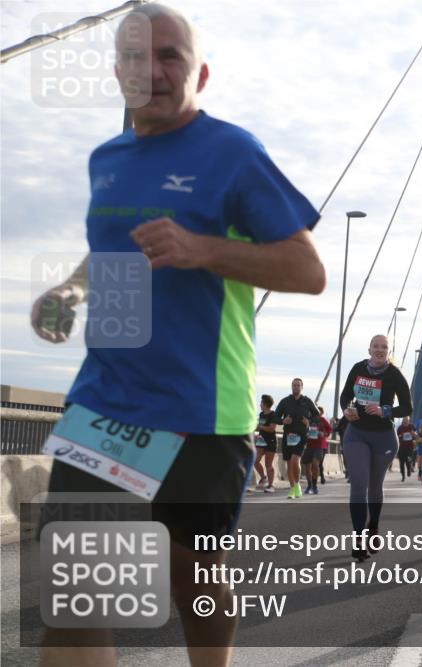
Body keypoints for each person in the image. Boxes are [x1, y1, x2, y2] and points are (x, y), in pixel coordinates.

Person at [29, 5, 325, 663]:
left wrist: (203, 249)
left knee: (192, 578)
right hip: (104, 401)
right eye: (136, 57)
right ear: (117, 72)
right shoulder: (106, 159)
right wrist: (69, 292)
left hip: (201, 409)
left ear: (202, 74)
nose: (152, 71)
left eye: (170, 57)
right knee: (79, 599)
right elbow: (111, 251)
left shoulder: (234, 153)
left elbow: (307, 270)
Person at [340, 335, 413, 561]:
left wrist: (384, 411)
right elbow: (345, 396)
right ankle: (359, 538)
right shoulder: (358, 368)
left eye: (384, 347)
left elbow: (408, 407)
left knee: (374, 486)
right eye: (376, 346)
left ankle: (373, 525)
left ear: (388, 351)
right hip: (356, 434)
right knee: (359, 485)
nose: (380, 350)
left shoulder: (395, 374)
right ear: (369, 348)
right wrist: (346, 410)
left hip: (384, 437)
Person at [274, 379, 320, 499]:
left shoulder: (307, 401)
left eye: (298, 385)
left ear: (302, 387)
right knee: (289, 465)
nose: (296, 387)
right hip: (288, 436)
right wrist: (283, 421)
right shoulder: (285, 401)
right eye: (294, 385)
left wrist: (309, 422)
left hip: (302, 436)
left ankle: (297, 484)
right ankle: (293, 489)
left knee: (295, 460)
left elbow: (317, 415)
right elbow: (275, 416)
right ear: (291, 387)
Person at [302, 406, 333, 495]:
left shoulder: (322, 420)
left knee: (315, 464)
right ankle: (309, 485)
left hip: (319, 445)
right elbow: (302, 429)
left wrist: (324, 434)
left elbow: (329, 430)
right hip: (309, 445)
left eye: (318, 411)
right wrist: (306, 433)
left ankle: (315, 486)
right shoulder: (308, 419)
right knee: (308, 467)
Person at [253, 394, 279, 493]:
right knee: (255, 461)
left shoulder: (273, 415)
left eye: (261, 403)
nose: (260, 405)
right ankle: (263, 478)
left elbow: (272, 428)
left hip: (270, 441)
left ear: (266, 404)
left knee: (268, 464)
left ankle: (271, 485)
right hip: (261, 440)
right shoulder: (261, 414)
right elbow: (259, 427)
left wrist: (261, 427)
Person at [396, 416, 418, 481]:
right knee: (401, 463)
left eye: (407, 420)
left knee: (408, 460)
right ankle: (403, 476)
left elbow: (416, 435)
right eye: (404, 420)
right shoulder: (400, 428)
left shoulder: (411, 426)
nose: (405, 421)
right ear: (403, 421)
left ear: (409, 420)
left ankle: (409, 469)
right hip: (402, 447)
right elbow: (397, 436)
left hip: (410, 447)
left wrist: (413, 434)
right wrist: (400, 435)